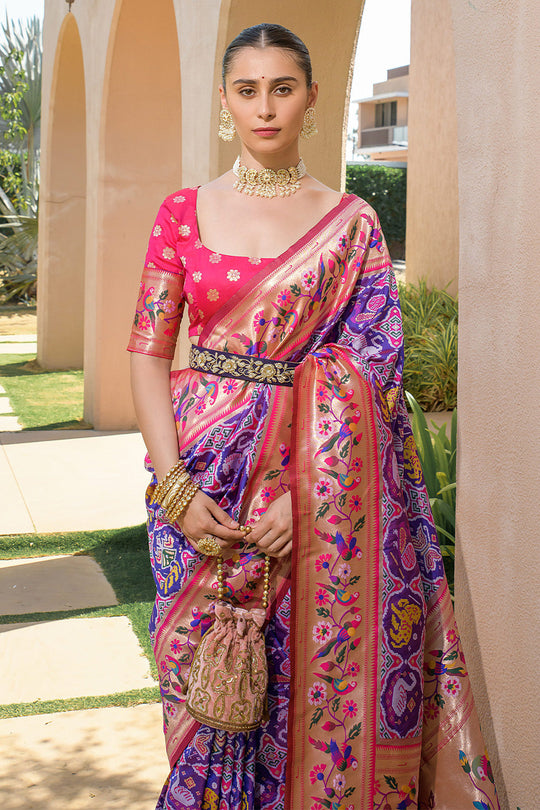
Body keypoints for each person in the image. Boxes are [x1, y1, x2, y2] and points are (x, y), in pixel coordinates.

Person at [128, 23, 499, 810]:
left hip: (314, 500)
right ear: (226, 101)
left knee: (304, 697)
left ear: (312, 97)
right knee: (201, 698)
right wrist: (174, 488)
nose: (265, 108)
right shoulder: (182, 213)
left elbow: (376, 372)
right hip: (198, 488)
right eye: (247, 90)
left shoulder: (352, 224)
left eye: (282, 88)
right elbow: (148, 352)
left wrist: (309, 500)